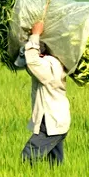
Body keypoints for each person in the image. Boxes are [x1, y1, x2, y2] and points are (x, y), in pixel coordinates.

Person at [15, 21, 70, 166]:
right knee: (55, 164)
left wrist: (35, 34)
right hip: (55, 121)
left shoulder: (49, 65)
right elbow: (23, 61)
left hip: (51, 121)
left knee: (28, 157)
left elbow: (31, 61)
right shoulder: (50, 62)